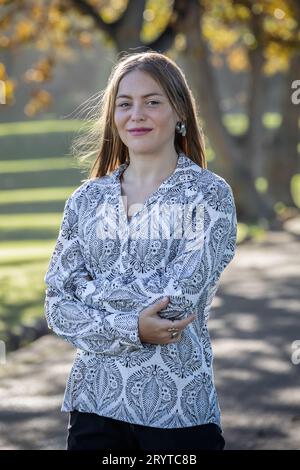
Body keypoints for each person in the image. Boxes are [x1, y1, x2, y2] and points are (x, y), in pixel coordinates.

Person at [44, 50, 237, 451]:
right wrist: (133, 326)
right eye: (125, 104)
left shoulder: (208, 195)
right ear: (113, 118)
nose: (137, 114)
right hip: (94, 405)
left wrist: (91, 296)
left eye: (153, 102)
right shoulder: (86, 200)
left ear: (180, 111)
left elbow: (176, 302)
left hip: (177, 409)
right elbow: (58, 305)